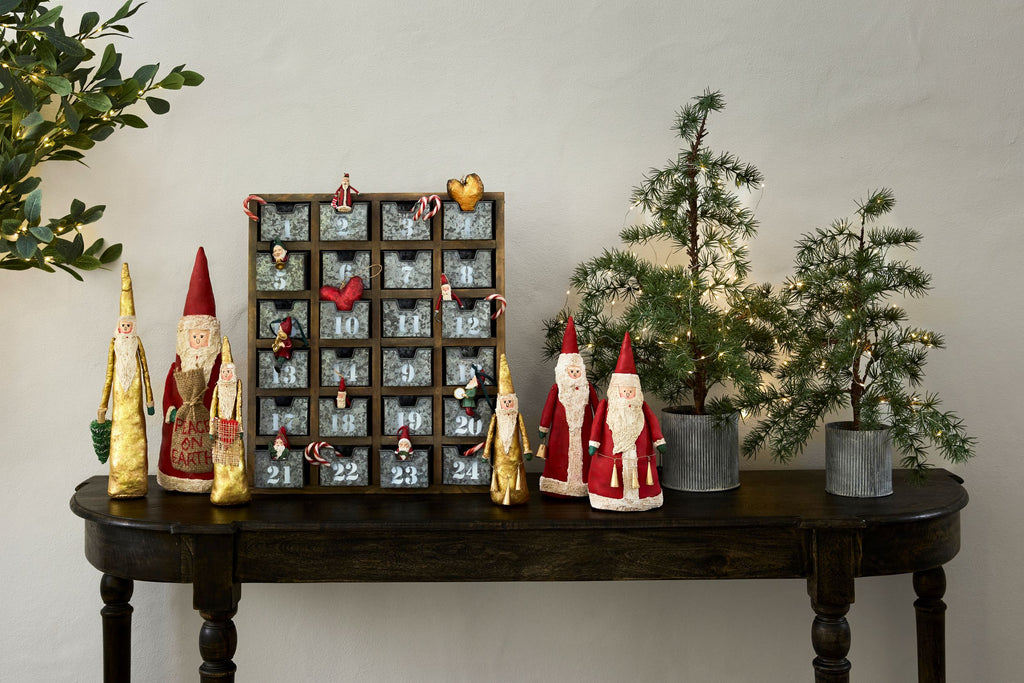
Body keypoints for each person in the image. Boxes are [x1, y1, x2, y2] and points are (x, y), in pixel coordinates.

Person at [157, 247, 222, 493]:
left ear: (211, 338)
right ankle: (175, 475)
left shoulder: (217, 370)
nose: (198, 341)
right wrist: (170, 411)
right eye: (194, 336)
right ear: (186, 337)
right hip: (179, 426)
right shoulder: (178, 368)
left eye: (202, 336)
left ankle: (208, 474)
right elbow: (168, 393)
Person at [587, 333, 666, 512]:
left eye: (631, 391)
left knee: (644, 477)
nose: (628, 394)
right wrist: (593, 443)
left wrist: (659, 441)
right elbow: (597, 425)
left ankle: (645, 498)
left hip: (641, 461)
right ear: (616, 391)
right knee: (607, 477)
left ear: (637, 391)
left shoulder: (642, 407)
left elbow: (653, 423)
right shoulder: (605, 406)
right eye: (624, 391)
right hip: (610, 463)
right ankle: (606, 497)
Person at [97, 263, 155, 498]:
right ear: (118, 327)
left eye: (129, 325)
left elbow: (147, 372)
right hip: (119, 401)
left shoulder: (137, 343)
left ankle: (138, 483)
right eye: (123, 325)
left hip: (136, 398)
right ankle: (119, 482)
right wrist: (103, 405)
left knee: (138, 436)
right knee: (119, 437)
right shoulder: (114, 344)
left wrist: (150, 401)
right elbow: (108, 376)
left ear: (134, 327)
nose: (126, 328)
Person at [537, 317, 599, 497]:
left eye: (577, 371)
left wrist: (601, 425)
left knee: (585, 457)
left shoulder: (587, 387)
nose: (574, 374)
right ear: (563, 371)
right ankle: (557, 484)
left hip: (585, 433)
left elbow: (597, 408)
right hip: (560, 434)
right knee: (559, 456)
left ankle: (586, 484)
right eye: (571, 371)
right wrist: (544, 427)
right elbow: (548, 409)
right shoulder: (557, 389)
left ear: (582, 371)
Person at [482, 355, 533, 505]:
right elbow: (489, 436)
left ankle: (518, 496)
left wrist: (527, 449)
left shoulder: (517, 416)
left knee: (516, 473)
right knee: (500, 474)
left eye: (510, 401)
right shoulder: (496, 417)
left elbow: (524, 434)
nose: (508, 404)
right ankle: (499, 495)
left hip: (515, 454)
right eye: (505, 402)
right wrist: (486, 452)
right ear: (500, 403)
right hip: (499, 456)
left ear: (514, 402)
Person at [209, 337, 250, 506]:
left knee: (237, 461)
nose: (226, 375)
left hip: (233, 430)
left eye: (229, 372)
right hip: (220, 431)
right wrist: (212, 429)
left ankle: (240, 492)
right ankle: (220, 492)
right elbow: (212, 408)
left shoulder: (237, 386)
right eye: (224, 372)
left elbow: (239, 408)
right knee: (220, 463)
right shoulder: (217, 388)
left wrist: (240, 428)